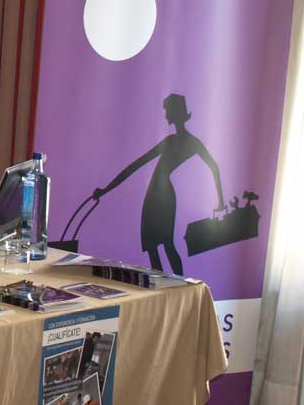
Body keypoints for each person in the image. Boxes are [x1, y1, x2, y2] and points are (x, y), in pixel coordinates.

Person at [91, 93, 223, 275]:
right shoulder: (183, 142)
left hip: (160, 195)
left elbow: (135, 166)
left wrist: (221, 201)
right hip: (156, 194)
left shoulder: (178, 142)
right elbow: (135, 165)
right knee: (156, 246)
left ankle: (176, 286)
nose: (166, 115)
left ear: (176, 112)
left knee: (164, 244)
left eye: (168, 111)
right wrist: (106, 190)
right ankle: (164, 286)